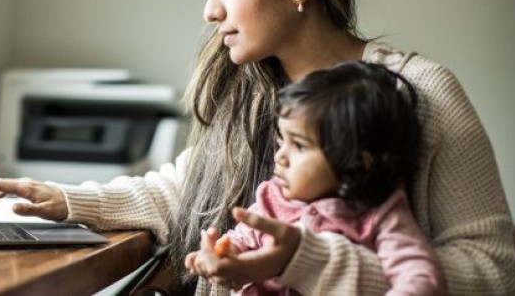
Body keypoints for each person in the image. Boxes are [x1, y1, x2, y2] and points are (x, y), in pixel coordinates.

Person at [0, 0, 515, 294]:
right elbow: (184, 192)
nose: (212, 10)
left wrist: (307, 262)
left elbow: (495, 274)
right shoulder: (248, 90)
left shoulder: (419, 93)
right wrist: (65, 200)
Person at [184, 61, 443, 295]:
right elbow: (242, 239)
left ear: (357, 163)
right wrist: (225, 254)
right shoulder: (272, 198)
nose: (280, 157)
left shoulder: (381, 215)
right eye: (280, 141)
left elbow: (420, 277)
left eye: (299, 145)